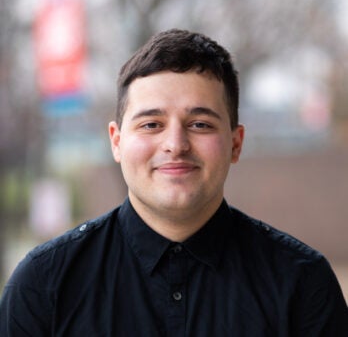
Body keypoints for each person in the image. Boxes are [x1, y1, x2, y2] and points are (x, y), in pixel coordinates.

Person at [1, 29, 347, 336]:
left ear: (236, 143)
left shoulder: (302, 283)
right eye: (151, 124)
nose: (175, 144)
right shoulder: (45, 284)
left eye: (200, 124)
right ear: (117, 142)